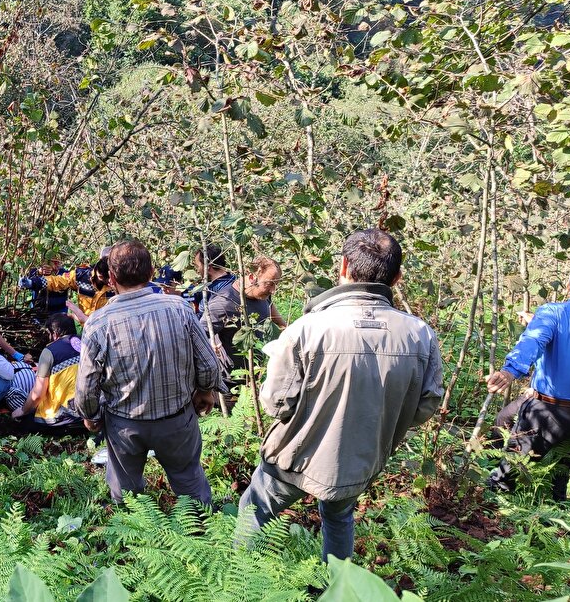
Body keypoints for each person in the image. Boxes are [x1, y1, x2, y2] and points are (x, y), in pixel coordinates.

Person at [238, 229, 443, 562]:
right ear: (398, 277)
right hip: (361, 459)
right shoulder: (420, 335)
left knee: (254, 511)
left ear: (344, 266)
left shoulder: (307, 329)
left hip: (295, 456)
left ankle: (237, 584)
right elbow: (427, 405)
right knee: (339, 516)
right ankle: (337, 588)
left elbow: (276, 403)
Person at [75, 240, 227, 505]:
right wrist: (205, 390)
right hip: (177, 418)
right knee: (189, 479)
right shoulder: (179, 309)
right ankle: (202, 532)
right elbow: (208, 363)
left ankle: (135, 536)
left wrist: (90, 416)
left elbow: (87, 385)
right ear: (151, 272)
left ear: (111, 278)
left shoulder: (98, 323)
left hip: (124, 425)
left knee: (126, 491)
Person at [483, 263, 570, 501]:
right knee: (564, 446)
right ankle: (557, 500)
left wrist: (509, 371)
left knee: (512, 461)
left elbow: (531, 344)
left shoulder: (553, 312)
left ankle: (497, 491)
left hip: (552, 411)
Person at [200, 256, 287, 378]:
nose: (273, 291)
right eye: (270, 284)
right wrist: (210, 347)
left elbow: (276, 317)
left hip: (257, 378)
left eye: (276, 284)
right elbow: (199, 336)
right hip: (231, 384)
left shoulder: (264, 296)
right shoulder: (223, 303)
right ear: (252, 278)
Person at [9, 313, 85, 433]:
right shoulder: (87, 341)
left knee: (23, 424)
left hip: (66, 416)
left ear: (54, 334)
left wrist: (23, 410)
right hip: (92, 412)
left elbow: (38, 394)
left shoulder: (49, 351)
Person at [20, 256, 113, 323]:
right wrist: (33, 281)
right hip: (40, 314)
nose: (56, 265)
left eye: (58, 262)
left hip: (105, 326)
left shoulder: (117, 283)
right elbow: (59, 281)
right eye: (53, 262)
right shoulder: (81, 275)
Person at [185, 245, 236, 317]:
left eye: (197, 266)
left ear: (207, 266)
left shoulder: (213, 291)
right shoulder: (234, 280)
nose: (197, 270)